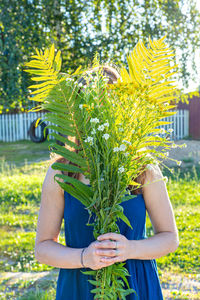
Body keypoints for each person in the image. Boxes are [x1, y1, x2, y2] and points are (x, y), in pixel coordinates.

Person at [34, 65, 179, 300]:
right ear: (76, 112)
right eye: (91, 106)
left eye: (108, 106)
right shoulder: (61, 172)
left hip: (136, 285)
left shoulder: (143, 168)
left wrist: (131, 249)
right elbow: (42, 247)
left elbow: (170, 237)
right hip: (79, 288)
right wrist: (84, 257)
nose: (99, 115)